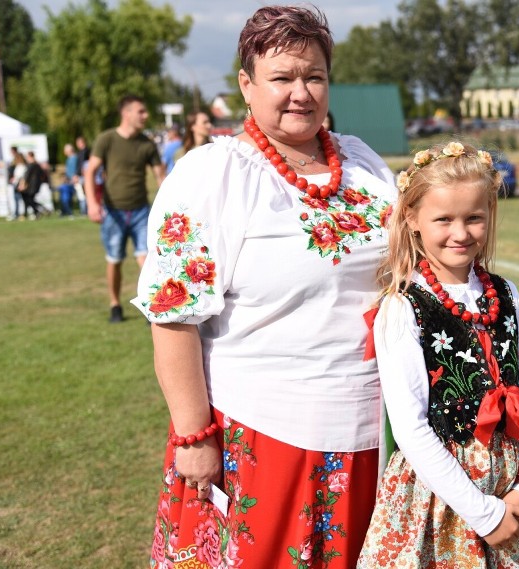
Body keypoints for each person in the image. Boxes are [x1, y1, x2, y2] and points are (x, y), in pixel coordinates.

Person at [131, 6, 396, 568]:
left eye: (314, 76)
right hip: (265, 437)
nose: (300, 92)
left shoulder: (365, 164)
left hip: (374, 433)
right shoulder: (212, 177)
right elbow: (174, 317)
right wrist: (193, 437)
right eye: (282, 77)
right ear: (247, 86)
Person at [357, 142, 519, 568]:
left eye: (474, 217)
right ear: (412, 219)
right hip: (440, 499)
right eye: (443, 219)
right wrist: (484, 514)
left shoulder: (505, 293)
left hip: (510, 486)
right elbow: (411, 427)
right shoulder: (402, 308)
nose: (461, 232)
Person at [84, 94, 165, 324]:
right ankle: (115, 305)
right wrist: (92, 203)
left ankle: (152, 304)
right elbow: (90, 171)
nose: (145, 116)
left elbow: (161, 176)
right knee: (115, 259)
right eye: (141, 111)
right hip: (113, 212)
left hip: (141, 211)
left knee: (146, 258)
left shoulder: (147, 144)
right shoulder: (106, 139)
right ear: (126, 113)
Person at [19, 151, 47, 220]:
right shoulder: (37, 165)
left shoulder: (32, 165)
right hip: (35, 185)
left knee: (29, 200)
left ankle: (41, 210)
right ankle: (37, 212)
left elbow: (26, 176)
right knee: (29, 200)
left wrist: (23, 185)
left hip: (31, 186)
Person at [74, 136, 90, 214]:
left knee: (85, 193)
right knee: (82, 194)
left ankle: (85, 210)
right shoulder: (80, 152)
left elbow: (84, 165)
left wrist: (78, 174)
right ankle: (84, 210)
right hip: (80, 175)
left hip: (84, 176)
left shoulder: (87, 151)